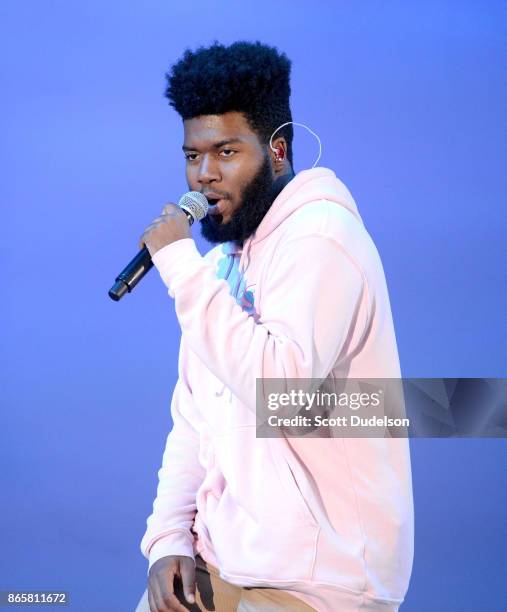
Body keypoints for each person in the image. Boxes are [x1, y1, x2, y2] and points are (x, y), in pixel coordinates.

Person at [135, 40, 414, 612]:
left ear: (278, 150)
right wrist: (167, 540)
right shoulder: (221, 267)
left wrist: (180, 270)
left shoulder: (322, 240)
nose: (204, 176)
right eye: (193, 156)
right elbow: (194, 419)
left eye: (227, 152)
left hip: (315, 582)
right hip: (218, 560)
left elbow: (281, 391)